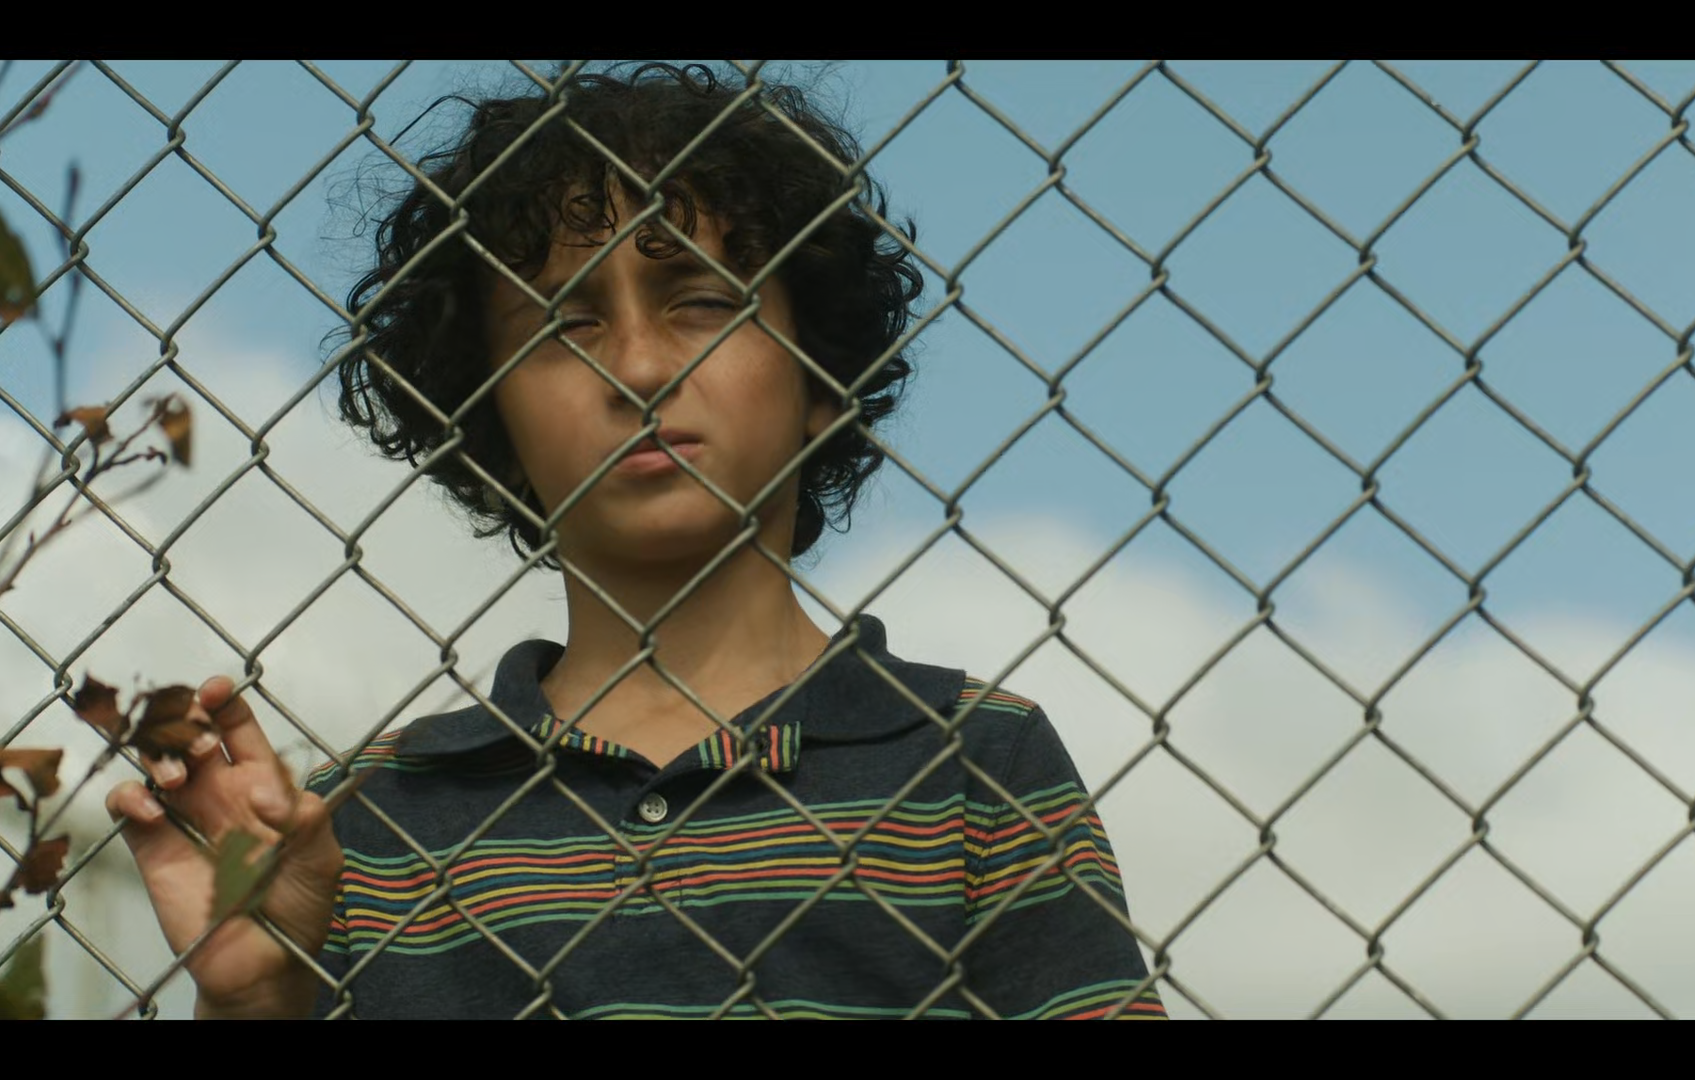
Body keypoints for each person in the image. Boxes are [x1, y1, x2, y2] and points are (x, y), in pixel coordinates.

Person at [107, 62, 1164, 1020]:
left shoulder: (970, 762)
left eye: (701, 301)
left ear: (819, 378)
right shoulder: (367, 821)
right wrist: (258, 1002)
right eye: (567, 325)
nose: (641, 369)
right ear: (490, 419)